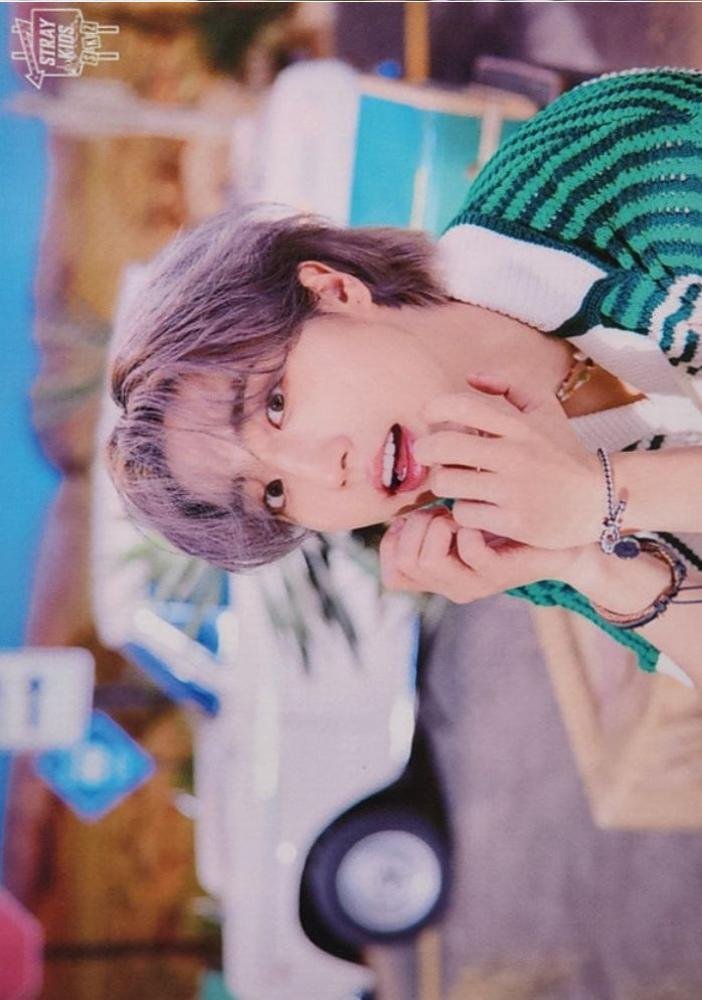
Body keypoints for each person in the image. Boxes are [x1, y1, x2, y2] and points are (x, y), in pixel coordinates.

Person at [107, 68, 702, 685]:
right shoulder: (506, 507)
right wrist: (583, 562)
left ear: (334, 290)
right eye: (274, 494)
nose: (324, 473)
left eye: (275, 403)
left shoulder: (595, 172)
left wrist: (600, 497)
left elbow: (592, 497)